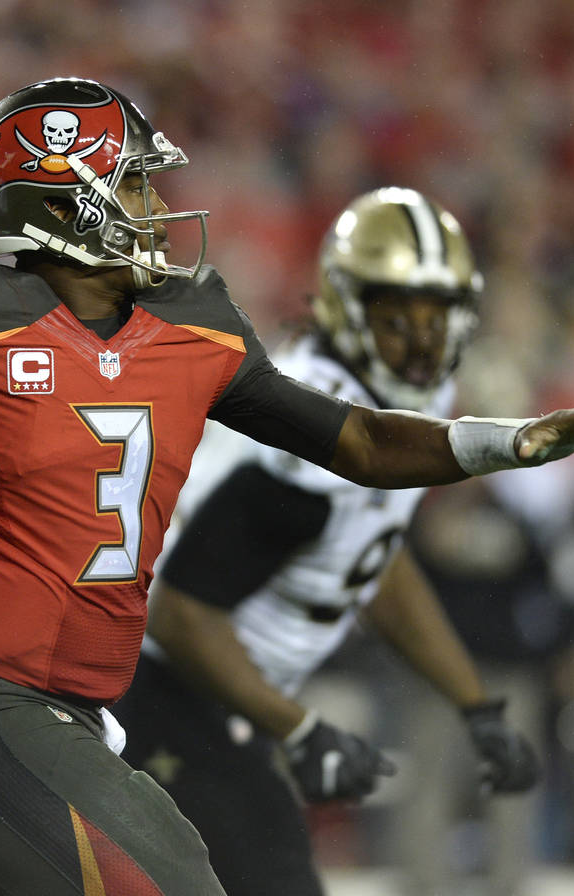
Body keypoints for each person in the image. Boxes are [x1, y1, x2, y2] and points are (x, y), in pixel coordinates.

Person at [0, 74, 574, 896]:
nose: (158, 207)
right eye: (134, 183)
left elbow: (359, 440)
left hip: (56, 710)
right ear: (66, 202)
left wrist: (507, 442)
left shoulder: (189, 324)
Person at [111, 186, 540, 896]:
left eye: (437, 317)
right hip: (161, 691)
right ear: (348, 307)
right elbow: (180, 613)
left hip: (221, 699)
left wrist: (474, 703)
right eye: (397, 319)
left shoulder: (395, 404)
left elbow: (372, 560)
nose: (422, 343)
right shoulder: (308, 445)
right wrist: (299, 727)